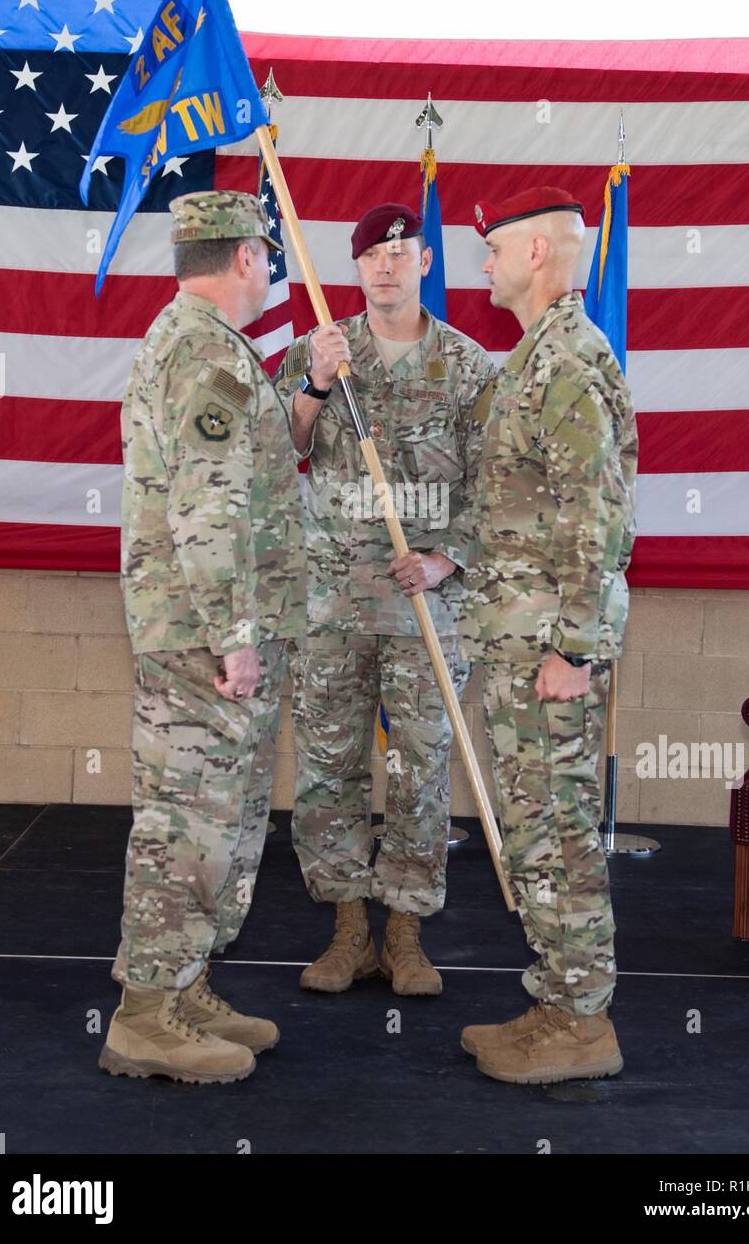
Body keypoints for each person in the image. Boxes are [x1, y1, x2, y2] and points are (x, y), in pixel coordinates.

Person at [99, 190, 306, 1085]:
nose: (271, 271)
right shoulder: (204, 354)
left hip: (197, 626)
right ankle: (147, 1015)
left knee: (218, 818)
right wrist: (236, 634)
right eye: (267, 257)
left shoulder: (197, 343)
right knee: (185, 823)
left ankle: (184, 985)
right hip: (201, 632)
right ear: (246, 259)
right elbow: (207, 510)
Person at [275, 203, 496, 995]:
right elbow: (279, 449)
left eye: (400, 252)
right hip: (334, 597)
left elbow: (498, 486)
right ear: (356, 266)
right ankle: (346, 931)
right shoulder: (320, 350)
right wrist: (315, 385)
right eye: (372, 253)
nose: (385, 265)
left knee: (417, 768)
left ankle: (404, 932)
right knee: (329, 769)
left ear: (426, 263)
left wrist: (446, 560)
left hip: (423, 608)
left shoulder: (469, 366)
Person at [459, 186, 638, 1084]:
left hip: (547, 651)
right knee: (534, 833)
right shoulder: (533, 357)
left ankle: (583, 1027)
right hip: (518, 641)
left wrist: (572, 648)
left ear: (535, 252)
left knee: (558, 835)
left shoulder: (566, 359)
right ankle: (556, 1003)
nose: (481, 263)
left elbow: (594, 515)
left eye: (492, 247)